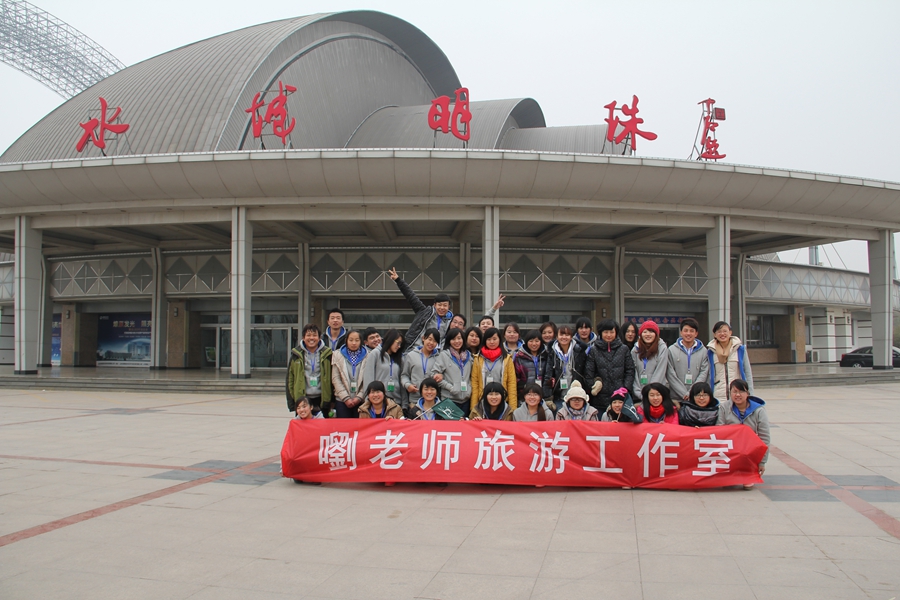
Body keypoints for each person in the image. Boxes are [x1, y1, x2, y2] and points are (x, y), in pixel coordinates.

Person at [717, 379, 769, 488]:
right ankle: (729, 474)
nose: (738, 395)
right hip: (731, 447)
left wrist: (762, 462)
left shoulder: (759, 411)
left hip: (749, 448)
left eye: (741, 391)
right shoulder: (724, 408)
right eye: (734, 392)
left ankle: (748, 474)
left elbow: (765, 438)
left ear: (748, 393)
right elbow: (719, 431)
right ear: (730, 393)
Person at [388, 267, 453, 349]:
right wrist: (398, 280)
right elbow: (411, 296)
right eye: (439, 305)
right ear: (434, 305)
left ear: (448, 307)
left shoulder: (451, 322)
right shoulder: (424, 312)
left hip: (435, 353)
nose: (442, 307)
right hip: (415, 349)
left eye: (445, 305)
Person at [585, 319, 635, 412]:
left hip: (620, 398)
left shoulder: (624, 349)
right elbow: (589, 373)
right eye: (606, 332)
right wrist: (594, 387)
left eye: (611, 332)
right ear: (601, 333)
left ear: (616, 333)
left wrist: (625, 388)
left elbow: (630, 371)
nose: (609, 335)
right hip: (599, 399)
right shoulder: (594, 350)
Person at [286, 324, 333, 417]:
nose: (311, 338)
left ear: (319, 338)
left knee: (322, 425)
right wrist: (293, 400)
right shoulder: (296, 354)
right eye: (308, 335)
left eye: (314, 335)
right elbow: (290, 378)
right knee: (303, 425)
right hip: (303, 398)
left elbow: (333, 376)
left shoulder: (327, 354)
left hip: (322, 398)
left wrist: (331, 400)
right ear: (303, 338)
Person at [471, 327, 518, 411]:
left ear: (500, 340)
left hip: (502, 401)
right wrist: (474, 408)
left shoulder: (507, 359)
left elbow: (511, 383)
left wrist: (512, 409)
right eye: (489, 339)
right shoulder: (478, 359)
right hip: (483, 401)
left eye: (494, 339)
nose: (492, 342)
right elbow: (475, 384)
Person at [707, 321, 754, 400]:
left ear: (730, 332)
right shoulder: (710, 352)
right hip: (718, 395)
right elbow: (709, 375)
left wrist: (750, 394)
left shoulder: (740, 349)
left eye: (725, 331)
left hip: (738, 393)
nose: (722, 334)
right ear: (715, 334)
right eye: (719, 332)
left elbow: (747, 372)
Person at [361, 328, 406, 411]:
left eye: (401, 344)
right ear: (391, 340)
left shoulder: (401, 358)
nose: (399, 346)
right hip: (378, 402)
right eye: (398, 343)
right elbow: (368, 378)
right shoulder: (375, 354)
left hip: (396, 402)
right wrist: (368, 401)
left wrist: (404, 404)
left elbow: (402, 381)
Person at [667, 318, 710, 402]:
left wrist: (691, 392)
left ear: (696, 333)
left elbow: (703, 373)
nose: (688, 333)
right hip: (676, 398)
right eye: (685, 330)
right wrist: (684, 393)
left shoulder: (704, 351)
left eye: (691, 331)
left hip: (696, 398)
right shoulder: (671, 350)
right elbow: (670, 374)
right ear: (681, 332)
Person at [434, 328, 474, 415]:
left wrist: (470, 388)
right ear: (449, 341)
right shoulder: (444, 355)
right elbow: (434, 375)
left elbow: (472, 376)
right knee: (451, 424)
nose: (457, 341)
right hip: (449, 399)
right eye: (453, 339)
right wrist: (450, 388)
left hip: (466, 399)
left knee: (464, 423)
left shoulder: (469, 356)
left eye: (459, 338)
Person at [401, 328, 441, 415]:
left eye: (435, 341)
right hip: (414, 400)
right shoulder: (411, 355)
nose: (431, 343)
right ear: (423, 338)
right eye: (429, 339)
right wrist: (408, 385)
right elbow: (404, 375)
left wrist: (441, 376)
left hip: (432, 401)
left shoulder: (439, 357)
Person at [331, 329, 368, 418]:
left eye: (357, 340)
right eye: (351, 340)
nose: (354, 343)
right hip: (342, 400)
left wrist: (359, 397)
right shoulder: (337, 354)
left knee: (360, 426)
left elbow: (368, 379)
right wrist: (346, 398)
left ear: (361, 341)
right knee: (343, 426)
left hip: (361, 400)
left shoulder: (368, 355)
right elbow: (336, 378)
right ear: (346, 340)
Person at [631, 320, 669, 402]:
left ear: (656, 334)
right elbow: (634, 372)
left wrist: (651, 393)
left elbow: (660, 371)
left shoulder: (662, 348)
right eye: (645, 332)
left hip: (656, 395)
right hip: (639, 395)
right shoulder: (635, 350)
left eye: (651, 332)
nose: (648, 334)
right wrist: (638, 392)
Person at [514, 329, 547, 397]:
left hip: (543, 394)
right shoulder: (519, 357)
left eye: (537, 341)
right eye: (531, 341)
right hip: (524, 394)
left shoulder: (546, 356)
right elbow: (515, 377)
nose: (534, 344)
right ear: (526, 342)